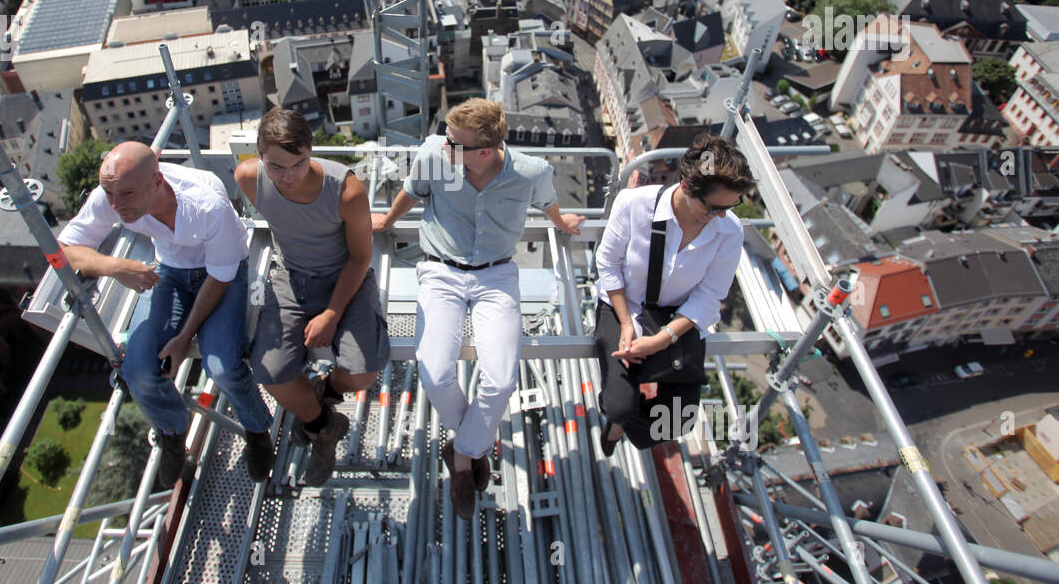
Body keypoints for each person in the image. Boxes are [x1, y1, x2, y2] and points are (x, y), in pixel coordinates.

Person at [372, 100, 585, 519]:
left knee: (502, 379)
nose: (445, 145)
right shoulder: (436, 155)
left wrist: (564, 224)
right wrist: (386, 221)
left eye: (456, 143)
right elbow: (412, 194)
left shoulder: (530, 171)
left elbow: (548, 204)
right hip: (440, 272)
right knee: (434, 369)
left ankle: (463, 456)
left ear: (484, 151)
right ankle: (473, 447)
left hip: (496, 276)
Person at [58, 141, 275, 489]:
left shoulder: (206, 205)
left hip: (222, 272)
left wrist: (183, 337)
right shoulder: (114, 194)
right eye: (109, 194)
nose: (115, 205)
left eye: (125, 194)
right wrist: (114, 267)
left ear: (157, 182)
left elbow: (220, 277)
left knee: (222, 366)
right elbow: (64, 251)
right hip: (170, 271)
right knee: (138, 370)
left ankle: (257, 430)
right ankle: (173, 433)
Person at [235, 108, 389, 486]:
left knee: (363, 371)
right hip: (292, 278)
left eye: (298, 163)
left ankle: (326, 392)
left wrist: (333, 313)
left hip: (344, 278)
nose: (287, 177)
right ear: (258, 156)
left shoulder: (347, 191)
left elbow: (360, 256)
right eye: (275, 167)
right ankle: (323, 425)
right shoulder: (248, 178)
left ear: (311, 151)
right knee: (269, 372)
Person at [593, 134, 752, 455]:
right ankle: (618, 417)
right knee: (619, 405)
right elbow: (608, 265)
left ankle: (625, 422)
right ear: (685, 185)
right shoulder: (634, 204)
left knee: (679, 420)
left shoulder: (729, 229)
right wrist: (626, 324)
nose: (721, 215)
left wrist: (662, 339)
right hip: (623, 304)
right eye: (713, 207)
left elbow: (710, 296)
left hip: (678, 316)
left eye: (731, 205)